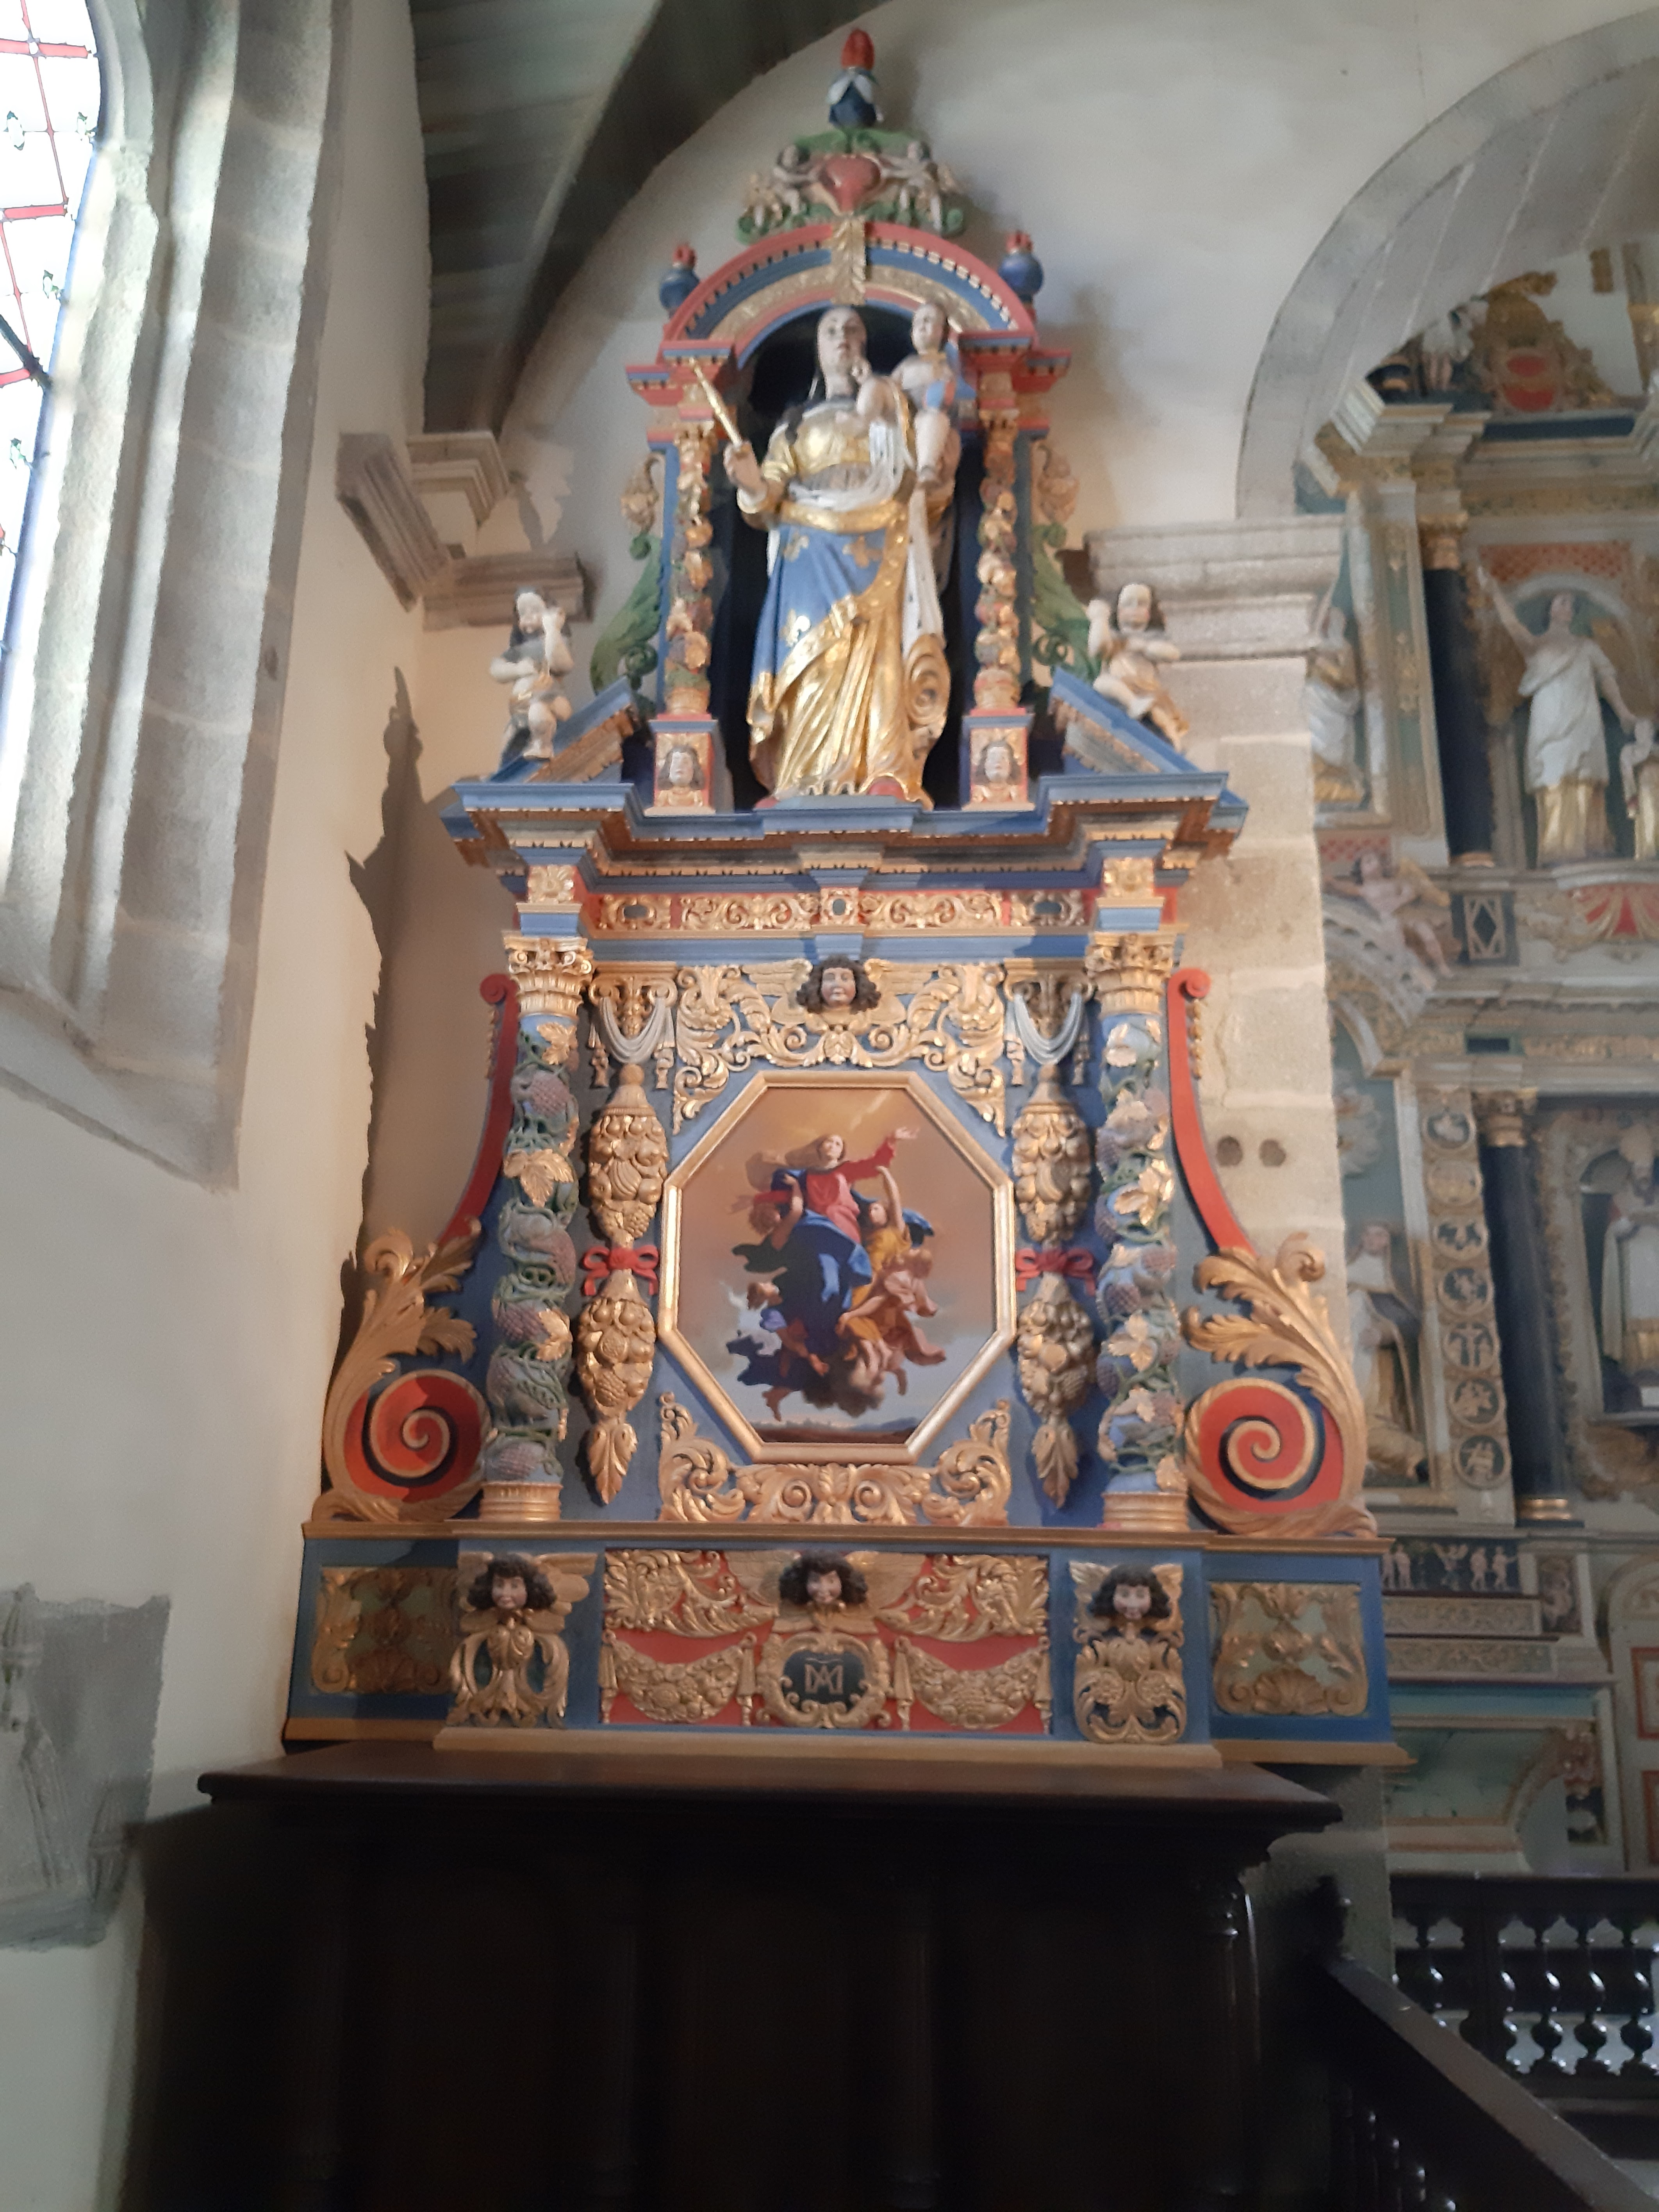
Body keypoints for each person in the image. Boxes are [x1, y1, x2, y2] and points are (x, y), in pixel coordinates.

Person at [724, 306, 948, 799]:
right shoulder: (795, 427)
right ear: (818, 348)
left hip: (879, 539)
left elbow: (918, 476)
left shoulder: (890, 409)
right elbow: (768, 497)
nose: (842, 338)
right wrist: (749, 481)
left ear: (863, 344)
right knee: (814, 657)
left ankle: (884, 769)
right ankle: (802, 776)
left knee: (879, 650)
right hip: (808, 552)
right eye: (830, 331)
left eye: (852, 330)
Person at [1476, 569, 1634, 863]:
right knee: (1554, 772)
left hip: (1584, 716)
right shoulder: (1537, 646)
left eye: (1571, 604)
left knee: (1586, 774)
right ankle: (1558, 847)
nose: (1568, 608)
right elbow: (1512, 625)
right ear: (1550, 609)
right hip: (1550, 719)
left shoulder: (1587, 646)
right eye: (1562, 602)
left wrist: (1623, 711)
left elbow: (1607, 678)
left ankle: (1590, 844)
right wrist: (1495, 592)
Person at [1346, 1223, 1426, 1482]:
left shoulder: (1393, 1279)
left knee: (1372, 1416)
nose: (1373, 1239)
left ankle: (1410, 1458)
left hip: (1376, 1362)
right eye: (1368, 1234)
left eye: (1380, 1234)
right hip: (1346, 1354)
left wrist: (1384, 1334)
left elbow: (1410, 1321)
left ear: (1389, 1241)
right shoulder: (1346, 1271)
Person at [1086, 583, 1188, 746]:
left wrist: (1142, 646)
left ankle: (1173, 741)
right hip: (1120, 686)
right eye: (1128, 604)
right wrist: (1099, 619)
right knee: (1102, 682)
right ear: (1118, 611)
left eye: (1141, 604)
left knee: (1162, 721)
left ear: (1150, 612)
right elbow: (1098, 648)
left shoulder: (1151, 638)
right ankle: (1133, 703)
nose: (1134, 608)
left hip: (1147, 689)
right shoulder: (1115, 639)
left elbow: (1172, 654)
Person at [1601, 1124, 1659, 1377]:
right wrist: (1631, 1221)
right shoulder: (1621, 1199)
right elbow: (1614, 1231)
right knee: (1640, 1310)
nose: (1643, 1175)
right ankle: (1643, 1366)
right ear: (1632, 1172)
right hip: (1635, 1264)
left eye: (1647, 1170)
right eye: (1639, 1170)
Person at [490, 590, 573, 767]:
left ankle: (543, 747)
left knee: (538, 713)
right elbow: (496, 669)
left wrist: (552, 630)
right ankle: (504, 769)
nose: (528, 616)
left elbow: (562, 664)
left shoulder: (553, 642)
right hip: (520, 706)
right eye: (523, 612)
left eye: (535, 610)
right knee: (510, 738)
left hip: (547, 700)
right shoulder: (520, 651)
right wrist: (518, 669)